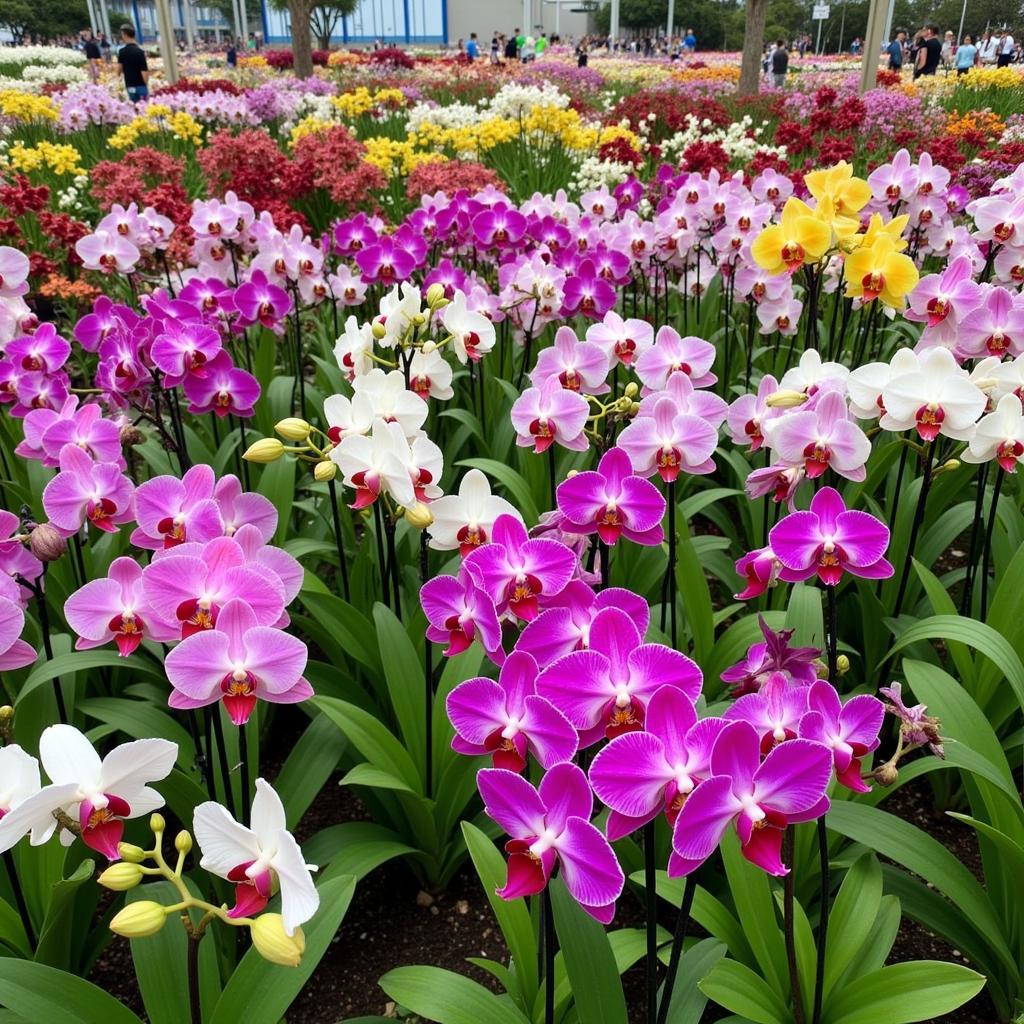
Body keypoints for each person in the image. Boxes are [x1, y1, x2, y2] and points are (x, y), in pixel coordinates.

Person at [116, 23, 148, 102]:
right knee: (144, 108)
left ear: (125, 35)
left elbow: (118, 71)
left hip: (130, 85)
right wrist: (145, 84)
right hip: (141, 85)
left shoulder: (122, 52)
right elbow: (144, 71)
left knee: (134, 107)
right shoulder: (140, 52)